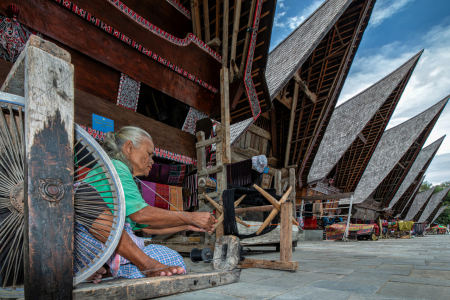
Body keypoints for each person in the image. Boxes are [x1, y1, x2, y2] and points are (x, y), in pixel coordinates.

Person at [76, 126, 216, 282]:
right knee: (82, 197)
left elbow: (146, 226)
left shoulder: (123, 174)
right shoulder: (115, 167)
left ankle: (106, 272)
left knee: (172, 259)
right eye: (149, 154)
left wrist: (187, 224)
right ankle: (145, 264)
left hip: (101, 251)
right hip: (83, 243)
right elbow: (141, 215)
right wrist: (191, 216)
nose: (152, 160)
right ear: (129, 147)